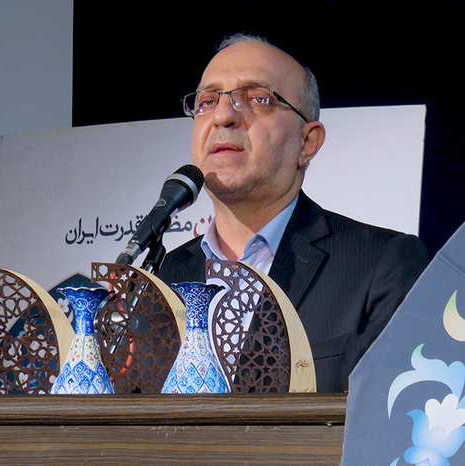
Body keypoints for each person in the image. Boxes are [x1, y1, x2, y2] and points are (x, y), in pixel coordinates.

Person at [156, 33, 429, 392]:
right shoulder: (165, 274)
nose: (222, 116)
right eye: (207, 101)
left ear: (307, 141)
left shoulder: (382, 264)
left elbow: (390, 416)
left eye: (257, 98)